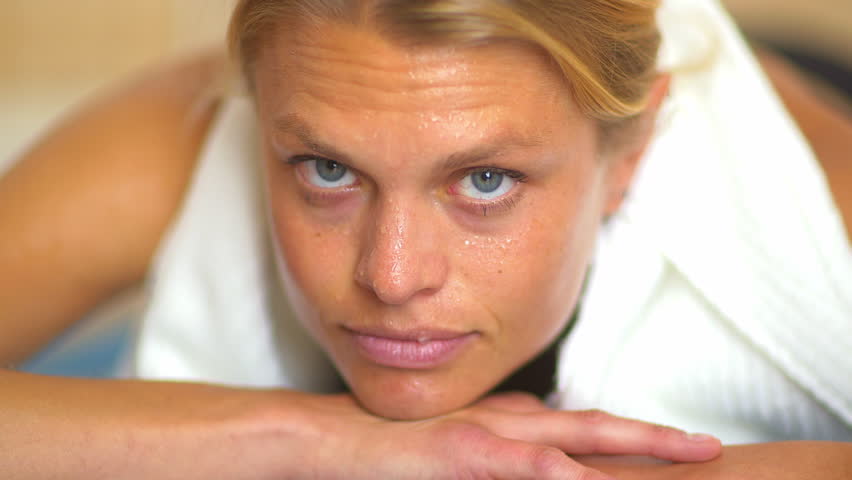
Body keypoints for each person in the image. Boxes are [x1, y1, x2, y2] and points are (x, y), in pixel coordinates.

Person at [0, 0, 850, 478]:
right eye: (327, 171)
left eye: (485, 182)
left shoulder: (825, 211)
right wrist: (308, 441)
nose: (393, 276)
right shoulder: (187, 130)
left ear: (626, 160)